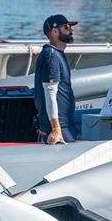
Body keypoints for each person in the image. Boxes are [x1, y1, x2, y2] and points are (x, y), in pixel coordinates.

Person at [34, 14, 78, 144]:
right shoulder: (51, 56)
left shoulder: (57, 54)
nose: (71, 30)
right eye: (67, 27)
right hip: (59, 130)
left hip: (66, 126)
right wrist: (56, 129)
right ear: (54, 31)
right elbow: (50, 93)